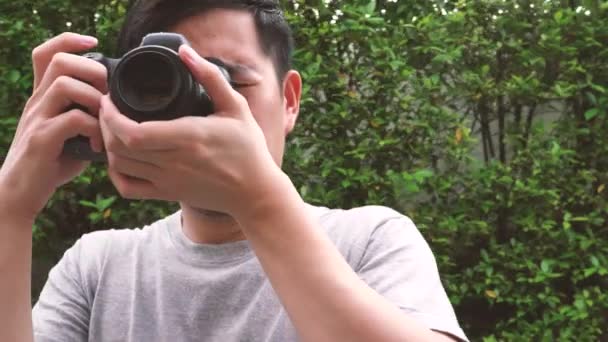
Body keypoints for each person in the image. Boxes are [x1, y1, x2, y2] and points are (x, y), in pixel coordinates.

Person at [0, 1, 468, 341]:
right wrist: (9, 211)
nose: (200, 113)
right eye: (167, 86)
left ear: (289, 100)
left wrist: (259, 202)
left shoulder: (370, 241)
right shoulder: (97, 269)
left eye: (228, 81)